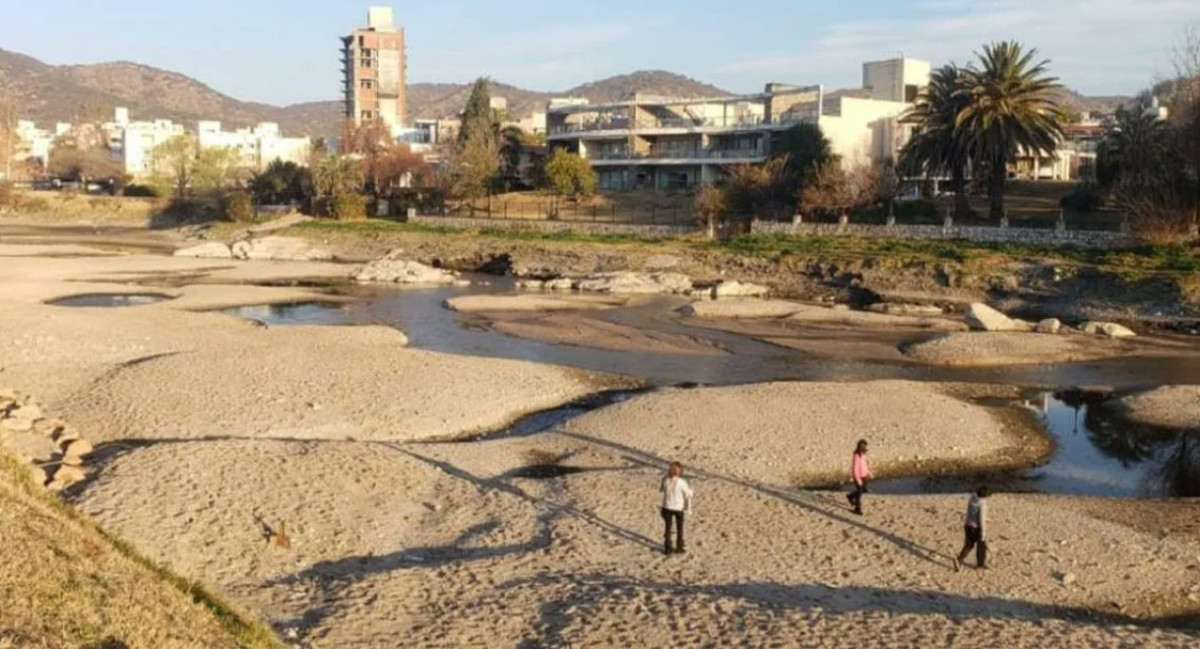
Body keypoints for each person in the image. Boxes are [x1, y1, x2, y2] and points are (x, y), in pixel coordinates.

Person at [659, 461, 693, 555]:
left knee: (668, 528)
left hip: (667, 506)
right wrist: (689, 506)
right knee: (679, 528)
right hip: (678, 507)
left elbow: (661, 489)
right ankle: (679, 547)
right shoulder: (682, 482)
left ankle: (668, 548)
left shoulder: (665, 479)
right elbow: (688, 494)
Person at [955, 486, 991, 571]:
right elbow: (981, 519)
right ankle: (980, 565)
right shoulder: (982, 504)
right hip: (976, 527)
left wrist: (987, 518)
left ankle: (959, 559)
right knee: (981, 546)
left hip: (968, 525)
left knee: (969, 545)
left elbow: (973, 512)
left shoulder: (972, 498)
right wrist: (983, 532)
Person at [847, 439, 871, 515]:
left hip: (864, 475)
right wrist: (858, 479)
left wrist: (868, 473)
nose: (864, 448)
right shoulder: (856, 456)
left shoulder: (863, 454)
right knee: (860, 491)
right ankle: (857, 508)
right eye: (863, 446)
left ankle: (850, 496)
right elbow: (855, 468)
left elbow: (864, 465)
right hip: (858, 477)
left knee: (863, 489)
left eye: (865, 446)